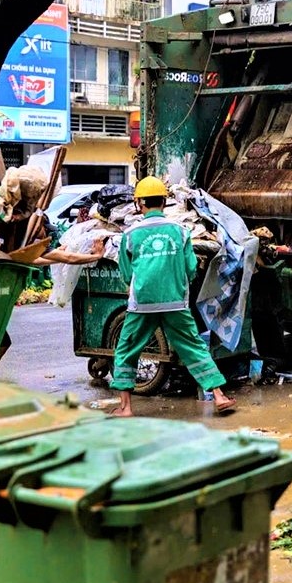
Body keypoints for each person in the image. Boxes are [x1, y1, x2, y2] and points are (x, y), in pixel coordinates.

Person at [109, 176, 236, 416]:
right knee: (194, 347)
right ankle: (219, 396)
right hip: (176, 302)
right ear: (164, 202)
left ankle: (125, 407)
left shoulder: (131, 233)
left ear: (140, 203)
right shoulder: (181, 232)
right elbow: (191, 269)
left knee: (126, 349)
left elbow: (126, 273)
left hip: (142, 305)